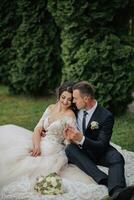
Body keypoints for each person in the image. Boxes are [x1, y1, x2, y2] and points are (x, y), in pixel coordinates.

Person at [64, 81, 134, 200]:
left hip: (98, 149)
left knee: (117, 157)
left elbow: (102, 144)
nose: (73, 101)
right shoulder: (75, 109)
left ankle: (117, 191)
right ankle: (105, 180)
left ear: (86, 98)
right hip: (80, 151)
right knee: (70, 149)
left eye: (75, 98)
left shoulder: (106, 116)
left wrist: (81, 139)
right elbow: (58, 109)